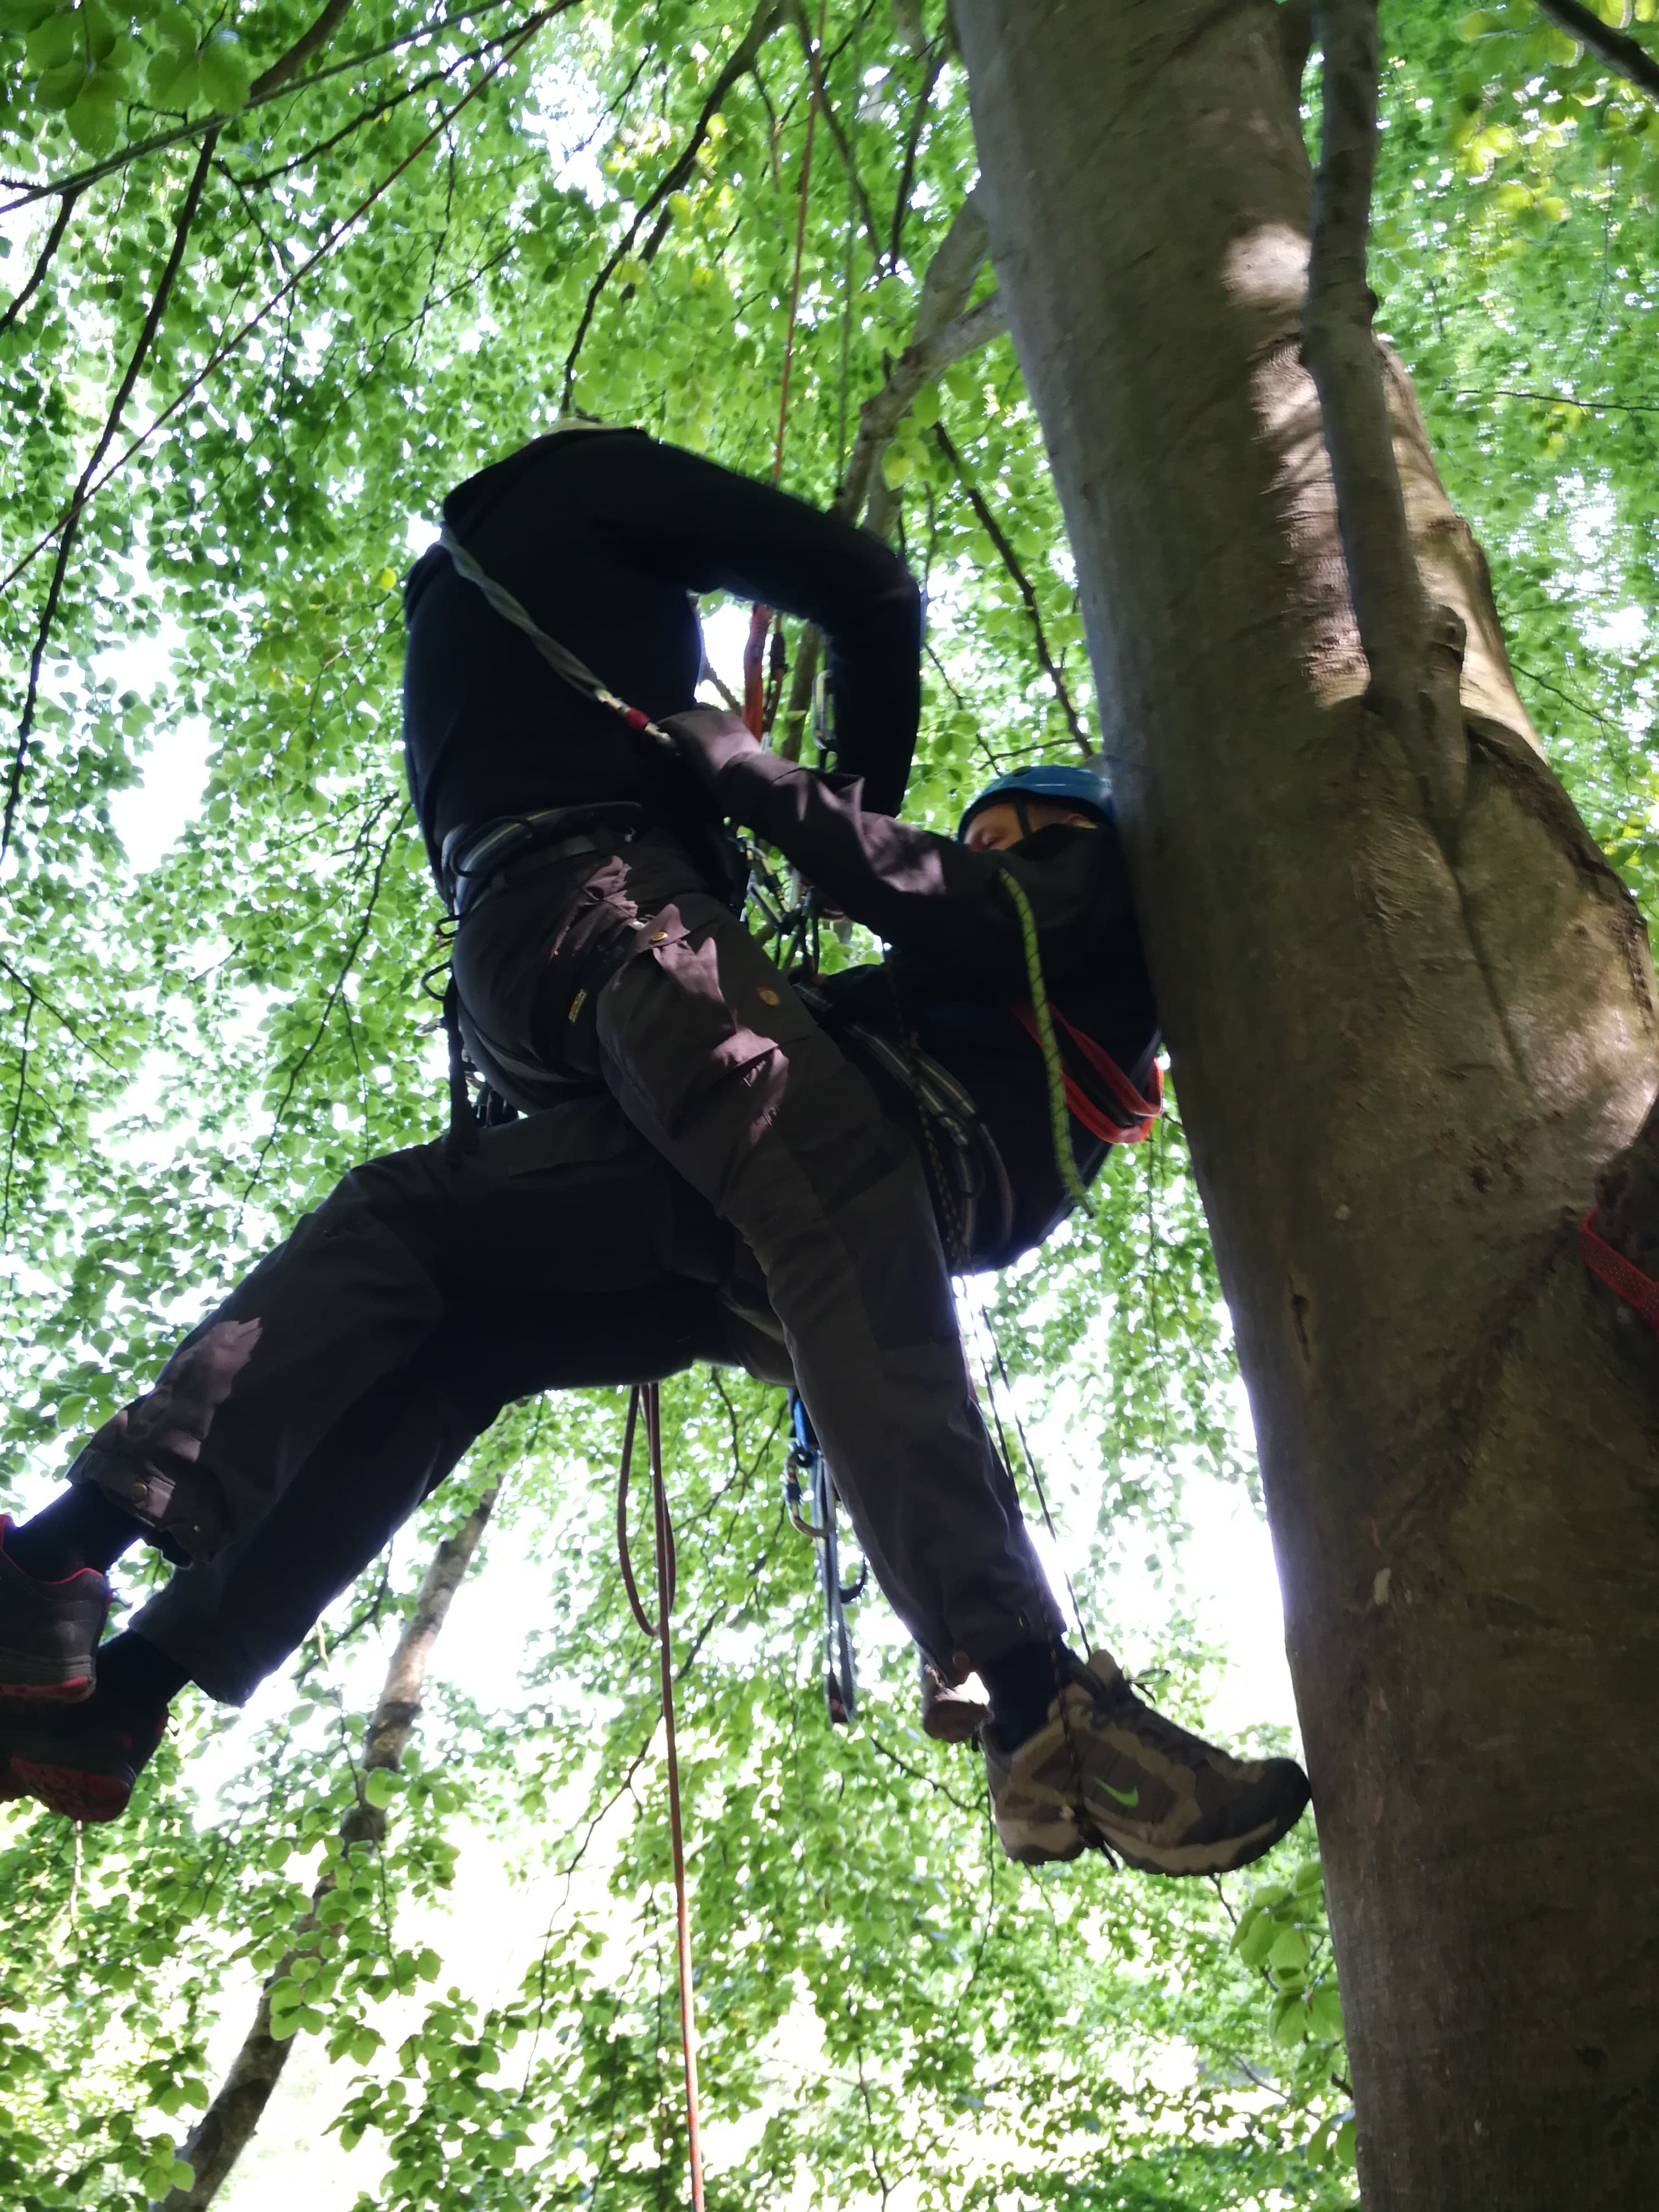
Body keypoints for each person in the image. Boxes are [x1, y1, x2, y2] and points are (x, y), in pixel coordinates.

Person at [0, 428, 1309, 1874]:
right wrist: (777, 807)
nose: (986, 836)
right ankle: (119, 1680)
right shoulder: (974, 1004)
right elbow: (875, 658)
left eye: (1017, 823)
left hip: (776, 1119)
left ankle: (1034, 1700)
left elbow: (944, 895)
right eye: (985, 824)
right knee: (444, 1297)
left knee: (462, 1243)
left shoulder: (1078, 902)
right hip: (734, 1144)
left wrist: (776, 787)